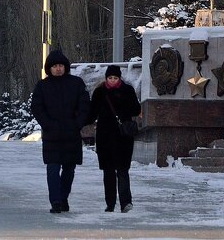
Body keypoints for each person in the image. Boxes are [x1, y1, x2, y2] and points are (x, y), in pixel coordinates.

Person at [30, 49, 89, 214]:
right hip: (52, 135)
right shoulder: (42, 86)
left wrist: (77, 123)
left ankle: (63, 197)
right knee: (53, 168)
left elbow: (84, 106)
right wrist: (47, 124)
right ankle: (55, 200)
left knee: (69, 169)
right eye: (55, 66)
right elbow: (37, 107)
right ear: (49, 68)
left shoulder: (76, 83)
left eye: (61, 66)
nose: (58, 69)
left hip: (71, 134)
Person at [89, 64, 142, 213]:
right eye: (110, 78)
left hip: (123, 137)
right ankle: (110, 203)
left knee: (123, 170)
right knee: (108, 171)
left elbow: (136, 109)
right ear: (106, 78)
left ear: (119, 78)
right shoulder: (100, 92)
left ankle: (125, 202)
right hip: (105, 137)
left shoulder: (127, 90)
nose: (112, 80)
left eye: (115, 78)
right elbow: (92, 113)